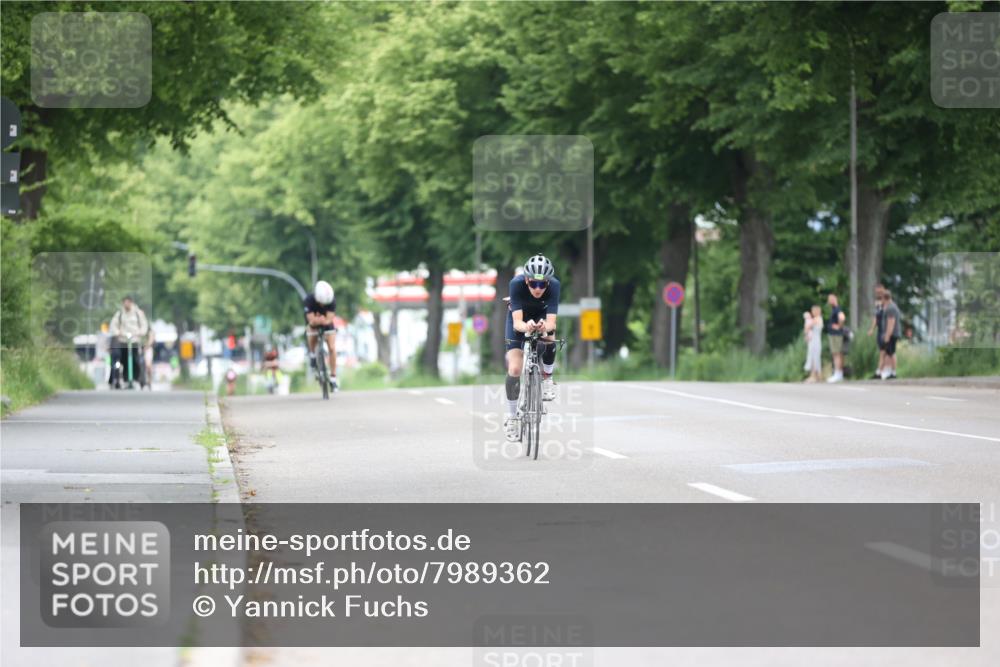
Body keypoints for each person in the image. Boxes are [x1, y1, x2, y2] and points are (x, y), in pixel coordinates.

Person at [503, 254, 561, 442]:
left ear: (548, 282)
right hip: (520, 321)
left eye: (542, 284)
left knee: (550, 338)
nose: (538, 289)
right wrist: (527, 326)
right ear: (526, 279)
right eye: (534, 284)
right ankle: (512, 418)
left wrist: (545, 327)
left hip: (542, 317)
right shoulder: (516, 284)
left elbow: (552, 323)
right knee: (515, 368)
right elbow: (517, 323)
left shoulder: (555, 286)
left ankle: (547, 378)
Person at [108, 295, 149, 389]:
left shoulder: (138, 313)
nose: (126, 304)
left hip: (134, 340)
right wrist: (118, 332)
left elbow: (144, 325)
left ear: (131, 302)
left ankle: (138, 379)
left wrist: (140, 332)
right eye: (125, 302)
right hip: (123, 341)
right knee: (120, 360)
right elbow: (113, 325)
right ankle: (120, 379)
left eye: (128, 302)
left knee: (137, 360)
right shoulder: (119, 314)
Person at [304, 280, 338, 392]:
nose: (324, 305)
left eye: (326, 304)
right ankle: (313, 354)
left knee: (332, 348)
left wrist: (321, 319)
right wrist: (318, 320)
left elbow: (329, 319)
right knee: (311, 331)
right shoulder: (309, 300)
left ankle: (333, 378)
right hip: (313, 323)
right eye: (322, 303)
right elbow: (311, 321)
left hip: (326, 323)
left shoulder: (331, 301)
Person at [880, 289, 902, 380]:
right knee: (889, 352)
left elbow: (891, 323)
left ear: (885, 298)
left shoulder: (891, 308)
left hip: (892, 334)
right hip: (892, 333)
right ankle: (889, 371)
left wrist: (887, 336)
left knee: (891, 352)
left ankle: (893, 372)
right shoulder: (891, 307)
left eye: (881, 298)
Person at [825, 293, 846, 383]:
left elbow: (842, 317)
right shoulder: (835, 309)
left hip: (835, 334)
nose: (829, 301)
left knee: (836, 353)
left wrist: (839, 326)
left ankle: (837, 373)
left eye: (830, 299)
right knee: (838, 354)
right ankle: (839, 373)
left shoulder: (837, 309)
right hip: (836, 334)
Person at [867, 283, 886, 378]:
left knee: (885, 351)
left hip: (886, 329)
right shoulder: (877, 302)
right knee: (882, 350)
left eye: (880, 292)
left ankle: (883, 371)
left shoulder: (887, 300)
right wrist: (872, 329)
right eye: (877, 292)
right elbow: (876, 317)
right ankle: (880, 371)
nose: (878, 294)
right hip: (880, 329)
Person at [802, 306, 823, 383]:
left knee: (814, 357)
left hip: (815, 341)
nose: (812, 312)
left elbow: (807, 327)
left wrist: (807, 319)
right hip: (814, 340)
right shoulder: (816, 319)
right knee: (813, 357)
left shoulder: (817, 319)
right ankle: (816, 375)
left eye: (814, 311)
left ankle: (813, 375)